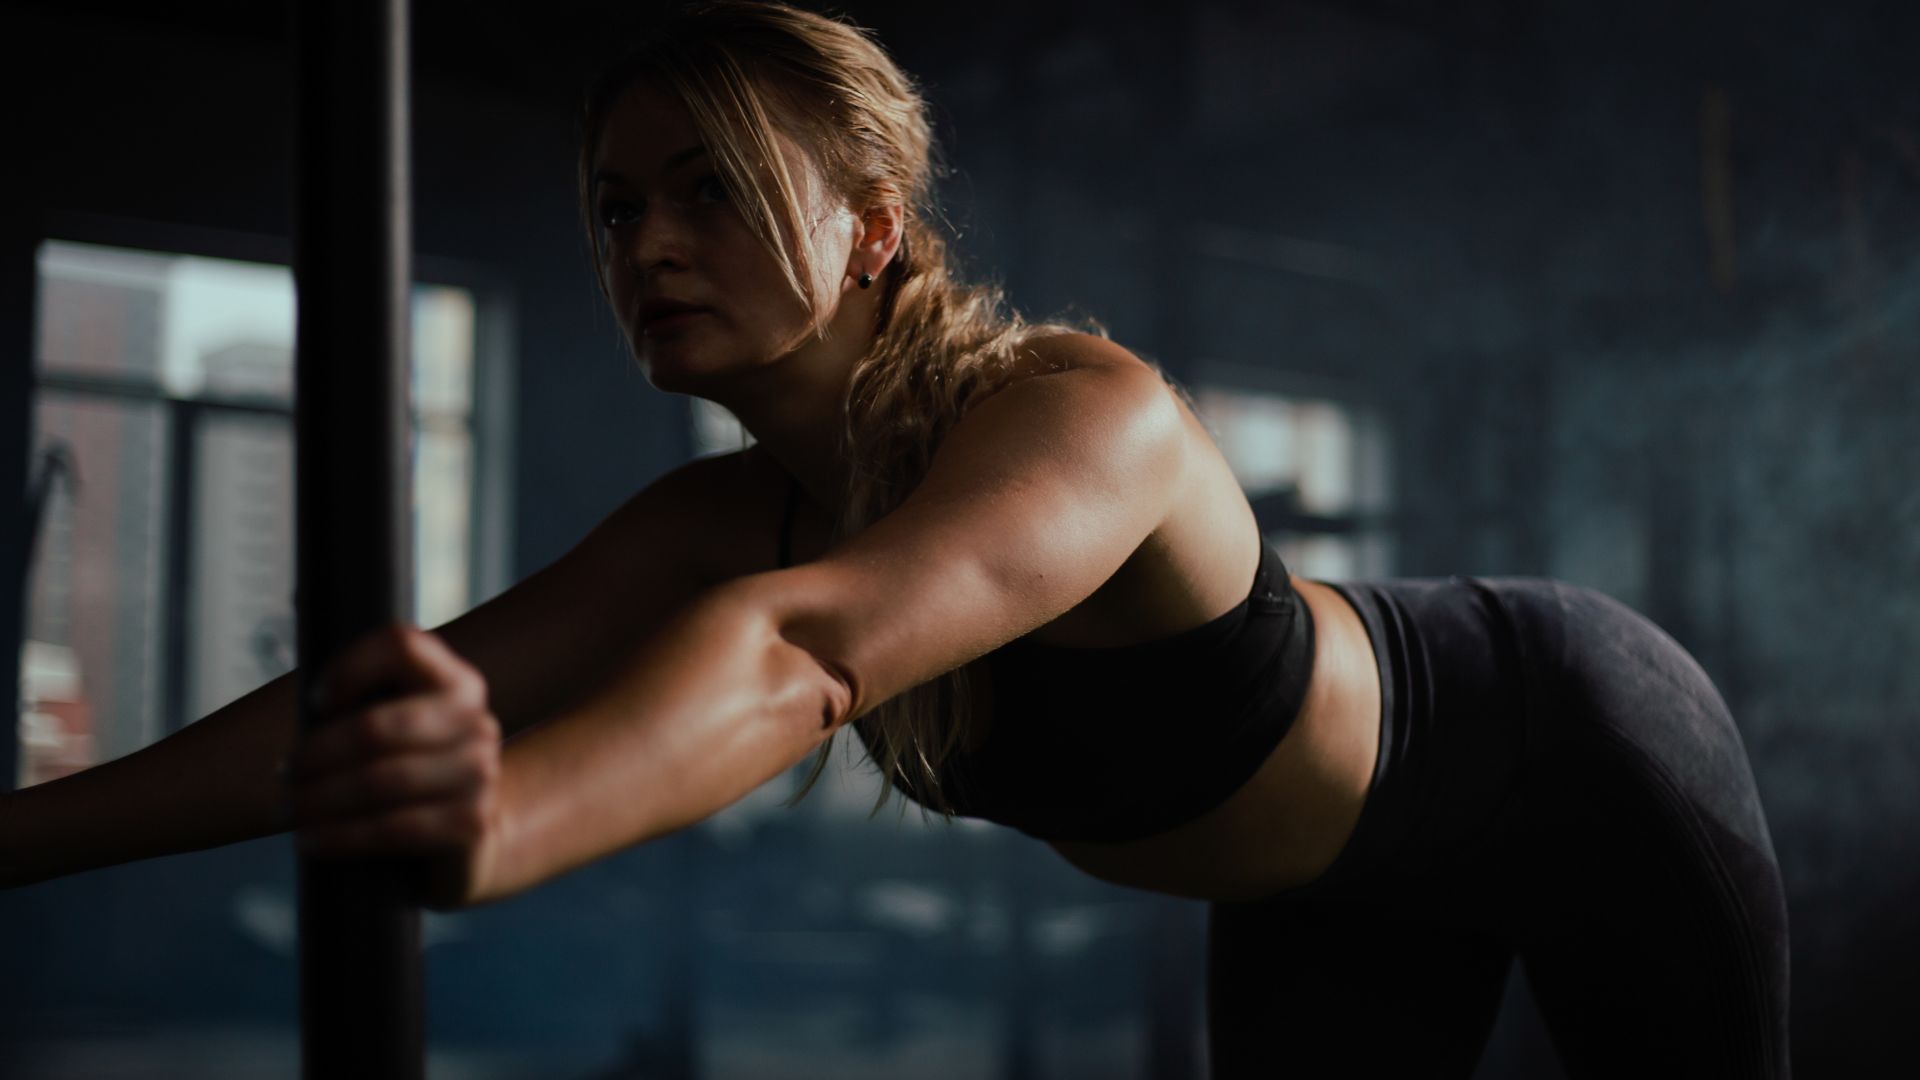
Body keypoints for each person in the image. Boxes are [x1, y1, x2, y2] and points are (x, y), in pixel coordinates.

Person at [0, 2, 1790, 1076]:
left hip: (1567, 746)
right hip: (1317, 892)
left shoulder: (1079, 411)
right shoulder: (718, 520)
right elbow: (360, 707)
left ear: (871, 226)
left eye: (712, 187)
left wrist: (502, 828)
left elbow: (805, 650)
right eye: (617, 208)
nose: (646, 245)